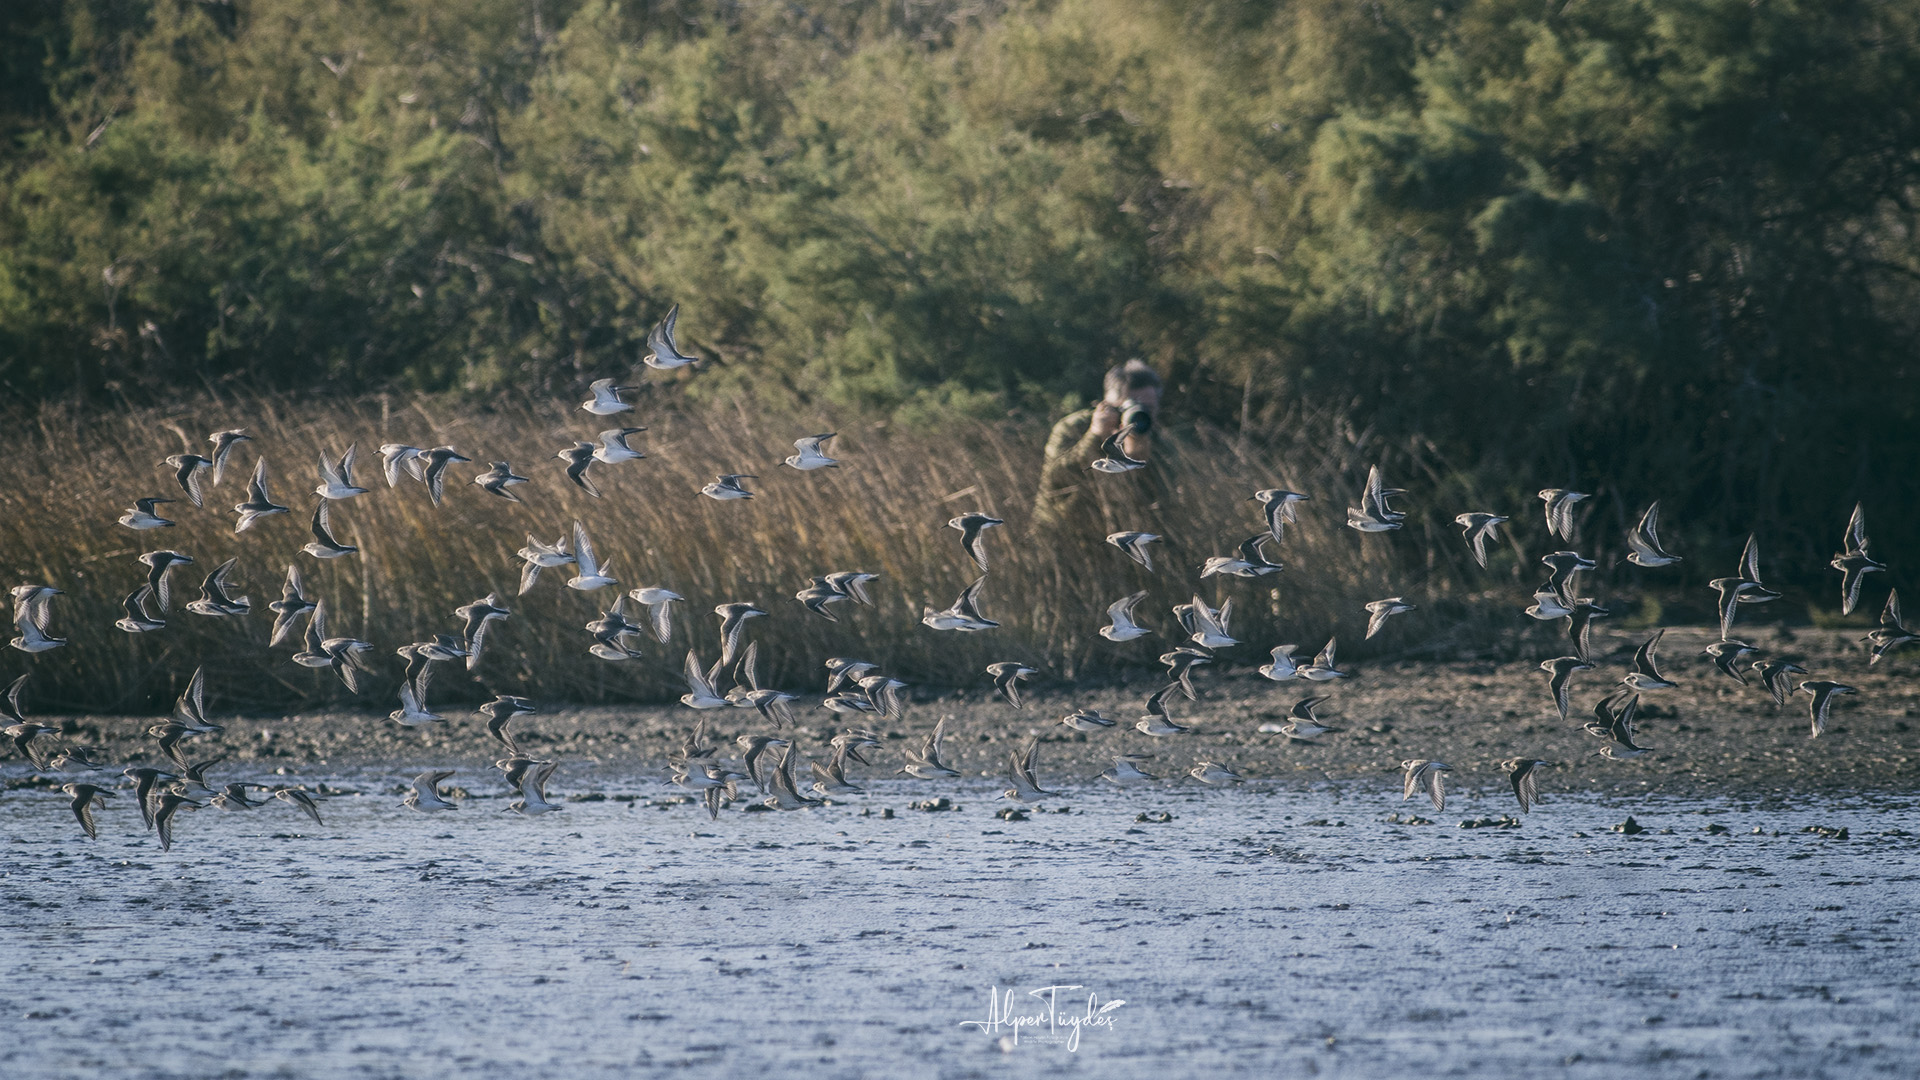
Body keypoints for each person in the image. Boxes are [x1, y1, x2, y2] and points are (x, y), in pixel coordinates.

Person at [1033, 360, 1163, 527]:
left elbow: (1168, 499)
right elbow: (1055, 477)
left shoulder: (1157, 440)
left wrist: (1137, 461)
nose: (1136, 417)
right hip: (1064, 533)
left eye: (1147, 409)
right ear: (1107, 403)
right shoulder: (1073, 428)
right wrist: (1094, 438)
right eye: (1128, 407)